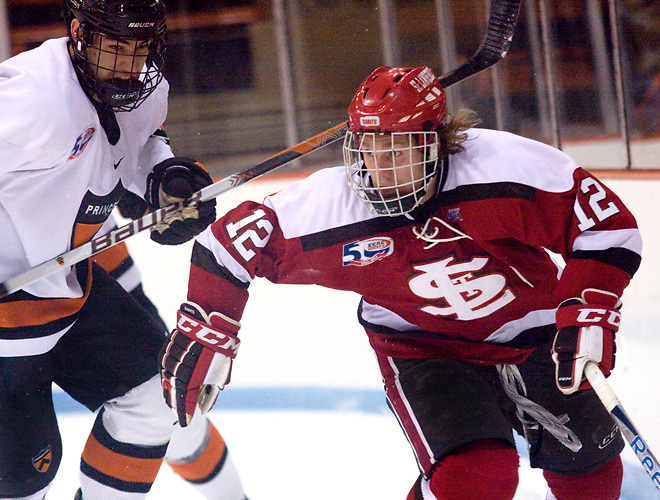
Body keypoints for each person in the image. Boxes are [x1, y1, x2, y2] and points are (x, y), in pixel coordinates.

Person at [159, 66, 643, 499]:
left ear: (434, 141)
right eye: (368, 150)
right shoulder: (340, 202)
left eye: (395, 150)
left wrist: (589, 306)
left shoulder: (502, 167)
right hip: (424, 349)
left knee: (593, 479)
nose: (377, 169)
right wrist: (208, 327)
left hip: (535, 334)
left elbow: (605, 224)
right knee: (476, 480)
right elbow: (231, 242)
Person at [0, 0, 247, 498]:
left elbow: (139, 146)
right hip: (5, 317)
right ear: (78, 33)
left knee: (154, 397)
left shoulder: (146, 87)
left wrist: (164, 179)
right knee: (26, 479)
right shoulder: (31, 96)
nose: (127, 65)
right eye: (114, 47)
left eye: (137, 49)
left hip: (70, 289)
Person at [91, 192, 247, 499]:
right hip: (15, 298)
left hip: (99, 272)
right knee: (21, 469)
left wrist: (146, 174)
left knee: (173, 411)